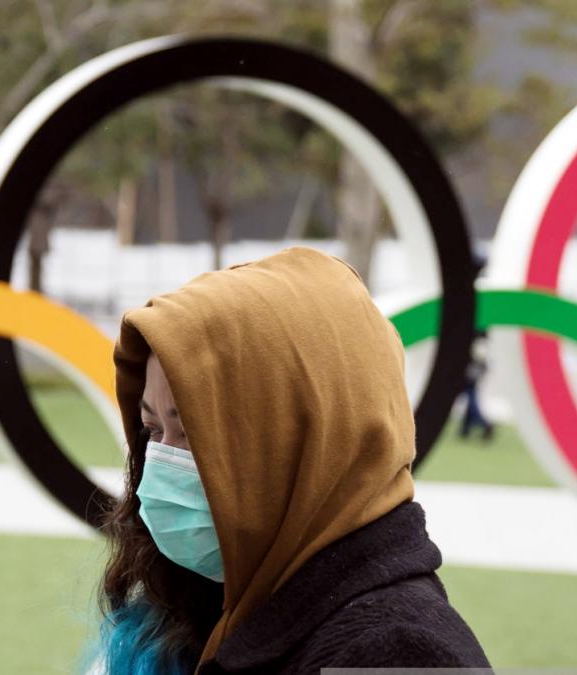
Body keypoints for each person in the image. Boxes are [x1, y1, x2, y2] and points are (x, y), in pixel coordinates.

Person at [89, 248, 489, 674]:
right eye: (152, 431)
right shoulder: (216, 605)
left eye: (192, 433)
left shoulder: (397, 654)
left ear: (300, 439)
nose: (161, 463)